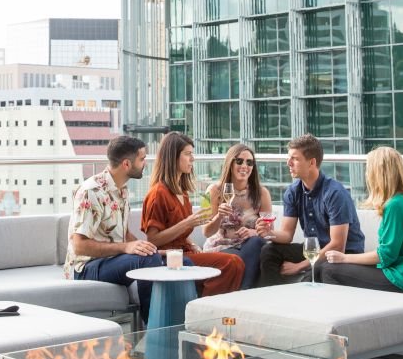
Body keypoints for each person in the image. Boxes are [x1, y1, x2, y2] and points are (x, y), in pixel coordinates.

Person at [64, 136, 162, 324]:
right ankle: (153, 332)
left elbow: (124, 235)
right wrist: (125, 248)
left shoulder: (121, 190)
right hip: (85, 268)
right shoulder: (91, 191)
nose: (145, 165)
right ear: (127, 163)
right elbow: (79, 246)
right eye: (142, 159)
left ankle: (179, 329)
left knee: (180, 260)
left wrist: (150, 248)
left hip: (110, 262)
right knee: (150, 260)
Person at [141, 132, 245, 295]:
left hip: (185, 252)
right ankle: (205, 310)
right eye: (188, 154)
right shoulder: (158, 193)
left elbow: (181, 233)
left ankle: (205, 306)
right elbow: (153, 239)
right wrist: (188, 222)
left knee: (235, 262)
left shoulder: (182, 192)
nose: (193, 159)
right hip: (169, 258)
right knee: (231, 263)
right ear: (173, 157)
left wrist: (193, 244)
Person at [256, 134, 365, 286]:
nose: (288, 163)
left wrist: (298, 267)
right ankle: (275, 298)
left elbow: (337, 245)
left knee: (312, 276)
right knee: (269, 251)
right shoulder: (292, 192)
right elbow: (287, 235)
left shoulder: (335, 193)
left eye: (295, 158)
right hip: (314, 248)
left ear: (312, 162)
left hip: (343, 254)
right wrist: (269, 233)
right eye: (289, 158)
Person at [321, 147, 403, 294]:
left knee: (329, 270)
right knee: (328, 267)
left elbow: (386, 255)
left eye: (369, 169)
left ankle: (343, 315)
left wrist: (345, 258)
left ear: (379, 173)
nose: (366, 174)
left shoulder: (395, 205)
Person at [202, 143, 272, 289]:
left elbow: (269, 231)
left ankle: (241, 292)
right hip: (221, 246)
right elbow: (206, 232)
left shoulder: (262, 193)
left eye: (249, 162)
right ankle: (242, 293)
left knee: (256, 242)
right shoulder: (212, 190)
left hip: (250, 246)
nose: (244, 166)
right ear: (230, 163)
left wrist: (253, 232)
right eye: (239, 161)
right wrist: (219, 217)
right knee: (241, 256)